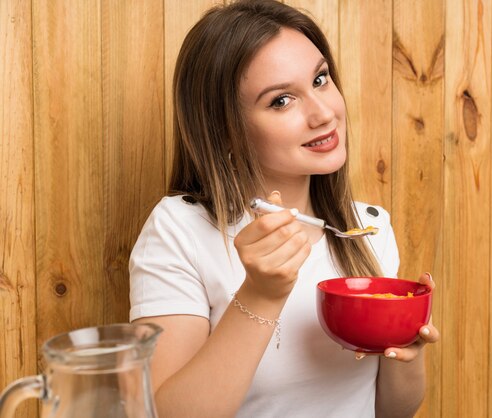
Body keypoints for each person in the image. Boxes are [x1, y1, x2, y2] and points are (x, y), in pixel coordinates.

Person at [129, 1, 439, 417]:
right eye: (281, 101)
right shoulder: (179, 229)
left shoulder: (367, 229)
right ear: (226, 131)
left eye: (320, 79)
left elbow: (390, 411)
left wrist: (408, 349)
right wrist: (260, 294)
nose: (324, 113)